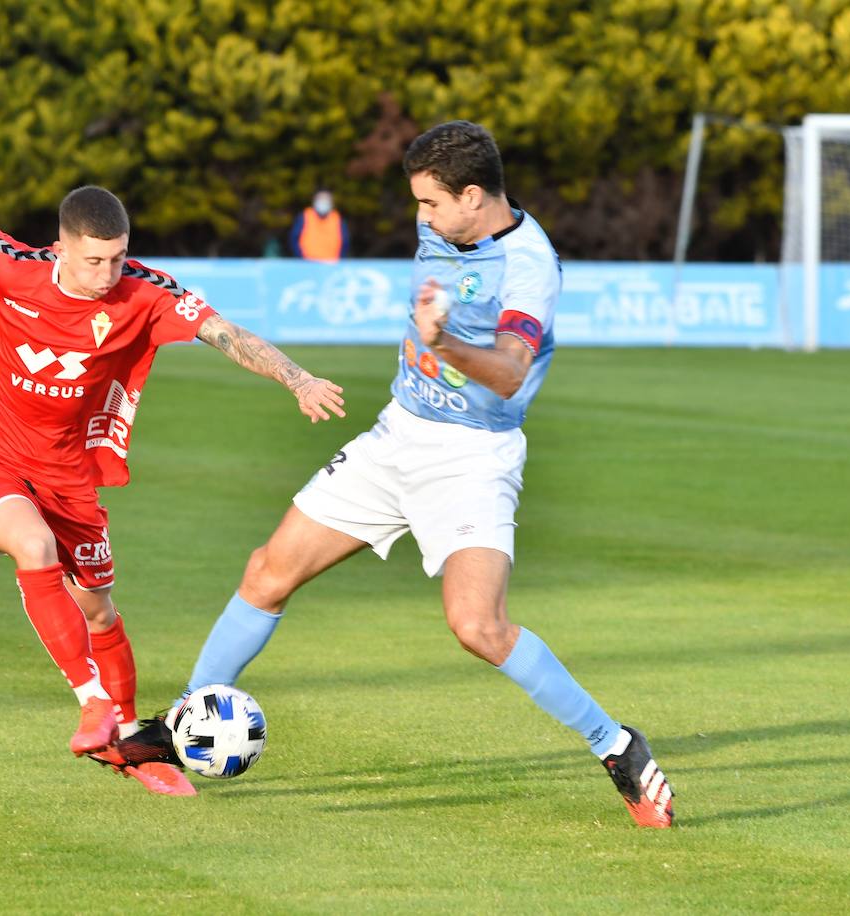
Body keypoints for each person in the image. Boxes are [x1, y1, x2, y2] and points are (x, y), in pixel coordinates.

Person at [95, 122, 676, 828]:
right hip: (396, 435)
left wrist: (443, 341)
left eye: (431, 205)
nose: (421, 219)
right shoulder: (445, 228)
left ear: (472, 196)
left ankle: (616, 747)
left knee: (478, 625)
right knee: (267, 571)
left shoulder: (530, 267)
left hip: (472, 457)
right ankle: (187, 720)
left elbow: (511, 372)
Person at [0, 186, 345, 797]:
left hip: (70, 477)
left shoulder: (144, 292)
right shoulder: (16, 268)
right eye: (94, 261)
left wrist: (296, 377)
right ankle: (91, 703)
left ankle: (129, 748)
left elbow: (227, 333)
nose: (108, 273)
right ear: (60, 247)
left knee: (100, 611)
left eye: (118, 258)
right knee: (32, 547)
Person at [289, 189, 349, 262]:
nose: (323, 202)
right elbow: (294, 239)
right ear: (314, 200)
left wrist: (339, 260)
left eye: (326, 199)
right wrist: (301, 258)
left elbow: (345, 243)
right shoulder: (305, 216)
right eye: (321, 199)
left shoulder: (337, 218)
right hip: (307, 264)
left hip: (332, 264)